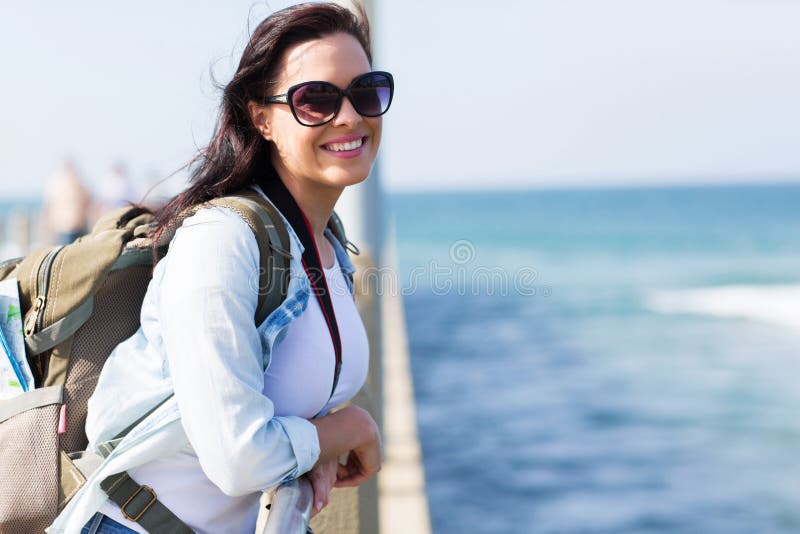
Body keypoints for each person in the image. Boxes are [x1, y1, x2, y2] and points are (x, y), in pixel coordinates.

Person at [50, 3, 393, 533]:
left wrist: (314, 450)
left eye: (366, 91)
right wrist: (350, 429)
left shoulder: (325, 243)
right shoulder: (222, 241)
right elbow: (239, 457)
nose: (349, 116)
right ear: (262, 118)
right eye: (316, 100)